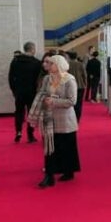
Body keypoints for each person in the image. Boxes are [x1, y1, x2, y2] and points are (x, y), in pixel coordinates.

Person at [28, 54, 80, 188]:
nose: (47, 66)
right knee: (49, 148)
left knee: (66, 147)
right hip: (49, 118)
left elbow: (72, 101)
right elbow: (42, 92)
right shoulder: (47, 79)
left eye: (51, 63)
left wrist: (54, 101)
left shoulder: (69, 80)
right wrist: (43, 99)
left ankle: (68, 171)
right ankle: (49, 175)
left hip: (65, 120)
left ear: (59, 65)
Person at [8, 42, 42, 143]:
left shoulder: (15, 61)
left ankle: (18, 131)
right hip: (32, 92)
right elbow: (38, 79)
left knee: (19, 112)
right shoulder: (36, 62)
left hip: (19, 91)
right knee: (31, 114)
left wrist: (14, 90)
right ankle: (30, 135)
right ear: (32, 49)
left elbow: (10, 77)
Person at [68, 52, 88, 120]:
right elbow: (84, 75)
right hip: (80, 85)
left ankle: (71, 118)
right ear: (76, 57)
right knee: (79, 103)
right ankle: (77, 118)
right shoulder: (80, 64)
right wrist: (85, 83)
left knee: (71, 102)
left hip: (70, 86)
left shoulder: (68, 64)